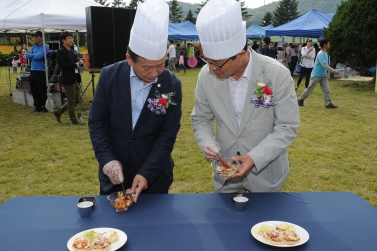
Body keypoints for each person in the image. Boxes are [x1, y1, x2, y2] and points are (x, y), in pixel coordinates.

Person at [191, 0, 300, 193]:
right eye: (207, 61)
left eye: (217, 63)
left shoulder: (276, 74)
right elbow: (201, 118)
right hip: (225, 172)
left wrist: (254, 157)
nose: (212, 69)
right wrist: (207, 142)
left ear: (240, 54)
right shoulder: (207, 75)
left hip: (266, 176)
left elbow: (287, 126)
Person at [88, 0, 182, 202]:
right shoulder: (109, 76)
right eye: (147, 67)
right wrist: (107, 160)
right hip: (114, 172)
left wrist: (147, 172)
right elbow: (97, 122)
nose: (155, 73)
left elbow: (168, 134)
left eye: (160, 65)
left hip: (154, 174)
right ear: (129, 59)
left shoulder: (172, 84)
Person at [53, 32, 85, 126]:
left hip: (75, 77)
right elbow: (61, 65)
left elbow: (74, 62)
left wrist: (79, 62)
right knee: (71, 101)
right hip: (68, 78)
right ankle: (74, 121)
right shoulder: (61, 52)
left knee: (76, 100)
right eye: (69, 38)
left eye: (72, 38)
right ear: (63, 40)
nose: (71, 40)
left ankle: (58, 112)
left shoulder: (71, 51)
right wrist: (74, 65)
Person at [297, 38, 339, 109]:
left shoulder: (325, 53)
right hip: (316, 75)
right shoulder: (321, 53)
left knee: (326, 90)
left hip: (323, 75)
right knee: (309, 89)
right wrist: (333, 70)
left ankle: (328, 104)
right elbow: (324, 64)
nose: (329, 44)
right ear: (325, 45)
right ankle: (300, 99)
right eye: (328, 43)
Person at [26, 30, 51, 113]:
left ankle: (45, 107)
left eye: (37, 36)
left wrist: (33, 55)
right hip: (33, 70)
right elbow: (27, 55)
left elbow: (39, 57)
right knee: (34, 89)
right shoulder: (34, 47)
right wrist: (35, 55)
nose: (35, 38)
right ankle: (37, 107)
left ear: (41, 37)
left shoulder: (45, 47)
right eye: (34, 36)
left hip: (41, 70)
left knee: (42, 89)